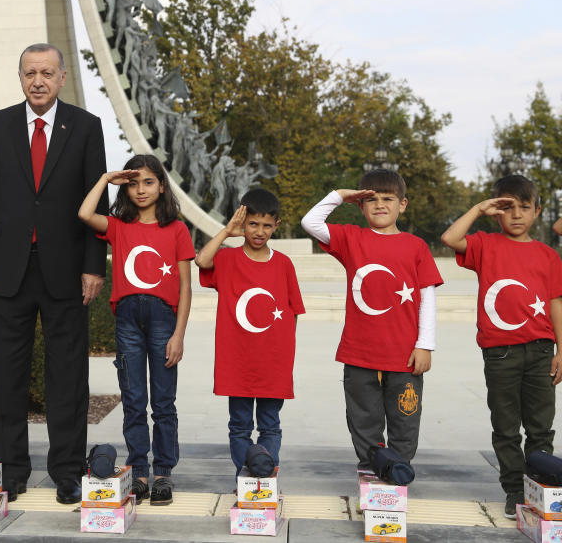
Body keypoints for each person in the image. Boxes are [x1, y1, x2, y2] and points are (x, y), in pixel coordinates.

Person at [0, 43, 108, 504]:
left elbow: (95, 204)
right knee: (7, 376)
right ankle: (11, 470)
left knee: (67, 376)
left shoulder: (86, 128)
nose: (38, 81)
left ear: (62, 77)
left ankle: (68, 471)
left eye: (47, 72)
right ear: (21, 77)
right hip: (7, 271)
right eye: (30, 73)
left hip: (67, 272)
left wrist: (93, 265)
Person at [300, 169, 442, 469]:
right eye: (371, 199)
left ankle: (399, 469)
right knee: (363, 418)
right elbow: (310, 222)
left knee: (405, 418)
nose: (380, 205)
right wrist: (340, 195)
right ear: (360, 206)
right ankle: (372, 467)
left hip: (405, 354)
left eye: (388, 199)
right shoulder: (352, 238)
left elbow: (427, 297)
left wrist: (425, 344)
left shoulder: (416, 246)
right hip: (359, 351)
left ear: (402, 204)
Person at [442, 174, 562, 520]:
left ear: (537, 211)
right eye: (508, 208)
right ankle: (514, 489)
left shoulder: (548, 255)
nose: (517, 215)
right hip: (501, 352)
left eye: (525, 207)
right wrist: (479, 208)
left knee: (541, 426)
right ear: (497, 213)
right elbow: (450, 237)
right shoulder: (485, 245)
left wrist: (560, 349)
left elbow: (556, 303)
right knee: (506, 427)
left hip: (541, 350)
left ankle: (539, 484)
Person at [78, 154, 195, 506]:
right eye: (133, 182)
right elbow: (84, 214)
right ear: (124, 188)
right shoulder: (118, 226)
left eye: (148, 182)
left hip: (163, 320)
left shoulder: (176, 229)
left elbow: (186, 287)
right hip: (127, 319)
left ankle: (163, 473)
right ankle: (139, 470)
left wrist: (179, 334)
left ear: (161, 186)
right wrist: (105, 178)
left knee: (163, 402)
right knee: (133, 400)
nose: (141, 189)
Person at [196, 189, 304, 477]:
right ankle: (245, 476)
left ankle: (265, 473)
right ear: (243, 224)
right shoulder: (228, 259)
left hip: (272, 363)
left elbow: (293, 314)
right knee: (240, 425)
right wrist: (226, 231)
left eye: (267, 225)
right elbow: (201, 260)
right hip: (238, 361)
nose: (259, 231)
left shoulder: (283, 264)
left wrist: (283, 356)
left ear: (276, 226)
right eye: (253, 224)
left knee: (271, 424)